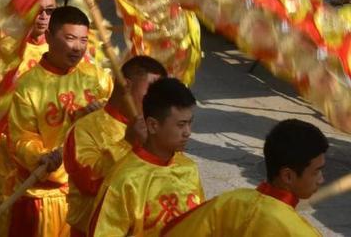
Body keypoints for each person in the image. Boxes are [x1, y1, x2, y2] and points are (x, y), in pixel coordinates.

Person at [7, 6, 113, 237]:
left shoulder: (97, 78)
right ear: (49, 37)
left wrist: (102, 116)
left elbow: (116, 126)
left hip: (87, 193)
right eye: (70, 38)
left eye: (83, 40)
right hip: (45, 198)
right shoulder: (28, 87)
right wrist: (40, 157)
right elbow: (21, 137)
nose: (77, 47)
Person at [162, 119, 328, 237]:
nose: (321, 179)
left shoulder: (228, 202)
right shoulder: (298, 231)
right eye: (317, 171)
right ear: (288, 176)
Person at [0, 0, 58, 236]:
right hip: (6, 149)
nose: (43, 17)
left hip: (48, 153)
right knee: (0, 215)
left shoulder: (66, 54)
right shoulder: (4, 49)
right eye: (38, 10)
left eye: (50, 11)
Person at [63, 55, 167, 237]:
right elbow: (89, 183)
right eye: (151, 91)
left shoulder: (156, 129)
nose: (157, 101)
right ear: (126, 85)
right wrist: (127, 144)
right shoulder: (85, 129)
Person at [88, 78, 203, 236]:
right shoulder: (124, 180)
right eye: (181, 125)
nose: (188, 132)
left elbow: (201, 222)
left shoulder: (189, 168)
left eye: (190, 123)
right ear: (153, 125)